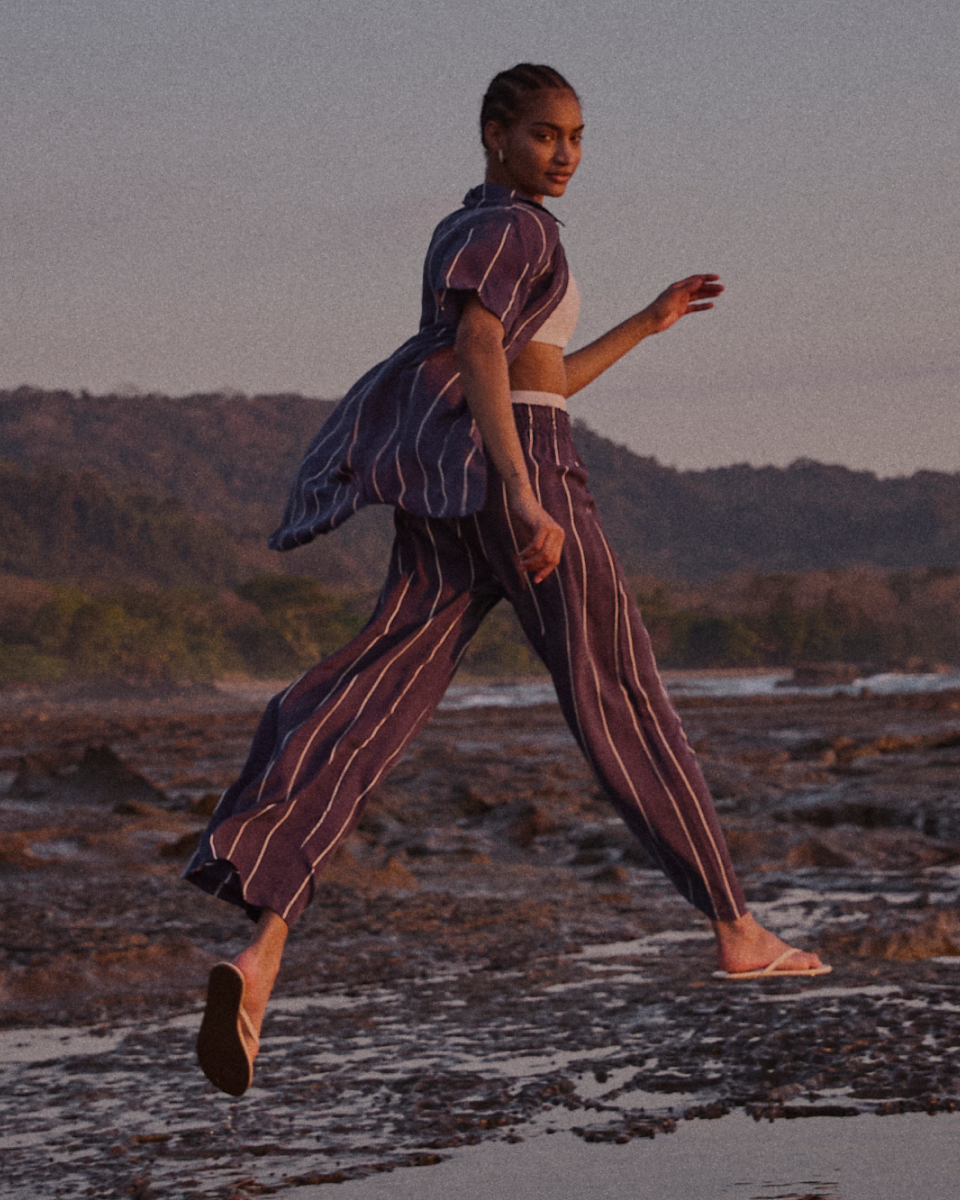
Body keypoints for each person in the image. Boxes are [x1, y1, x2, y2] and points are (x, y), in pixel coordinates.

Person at [186, 63, 829, 1098]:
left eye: (576, 137)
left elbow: (538, 366)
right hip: (516, 470)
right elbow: (487, 348)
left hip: (448, 480)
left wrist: (644, 323)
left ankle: (260, 954)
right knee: (618, 694)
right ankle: (737, 927)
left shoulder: (469, 230)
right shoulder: (525, 231)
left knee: (373, 699)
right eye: (543, 135)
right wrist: (526, 494)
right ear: (494, 135)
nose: (564, 154)